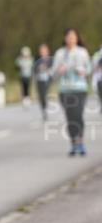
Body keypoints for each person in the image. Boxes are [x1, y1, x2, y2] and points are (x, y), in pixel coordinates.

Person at [51, 28, 91, 156]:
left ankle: (80, 141)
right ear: (65, 38)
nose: (71, 39)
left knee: (78, 115)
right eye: (68, 36)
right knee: (70, 117)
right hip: (64, 89)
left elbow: (89, 68)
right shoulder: (59, 53)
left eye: (73, 36)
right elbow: (53, 74)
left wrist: (83, 72)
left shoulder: (82, 52)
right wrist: (59, 70)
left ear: (77, 38)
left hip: (79, 88)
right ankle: (73, 142)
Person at [33, 43, 53, 121]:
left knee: (45, 94)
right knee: (41, 96)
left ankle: (46, 107)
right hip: (39, 80)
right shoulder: (37, 59)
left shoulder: (50, 59)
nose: (43, 52)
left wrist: (47, 69)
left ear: (47, 51)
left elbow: (53, 69)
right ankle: (44, 109)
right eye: (41, 50)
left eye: (44, 50)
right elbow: (34, 69)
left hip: (47, 79)